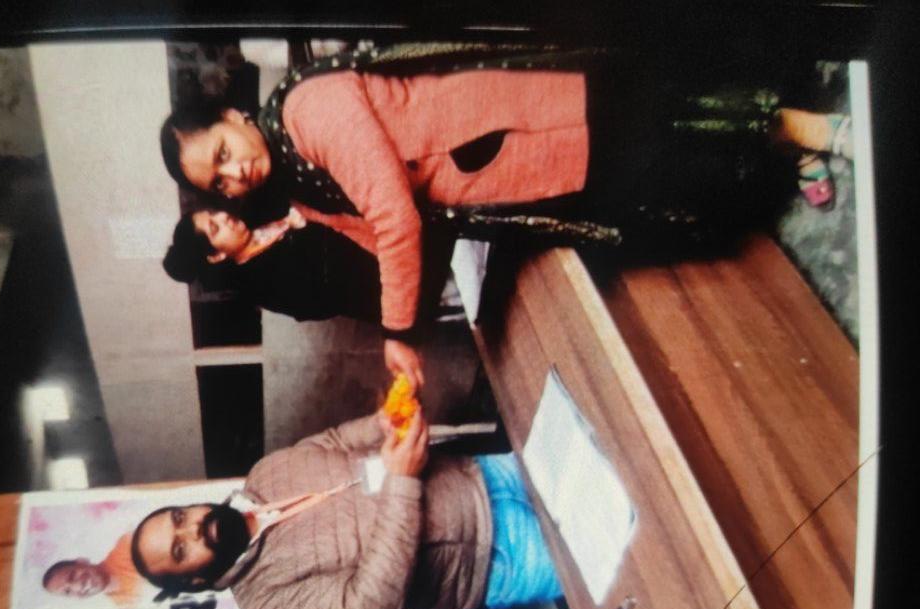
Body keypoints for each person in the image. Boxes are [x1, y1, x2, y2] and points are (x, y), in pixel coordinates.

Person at [159, 44, 855, 389]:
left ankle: (814, 130)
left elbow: (393, 213)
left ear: (234, 116)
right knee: (670, 171)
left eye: (222, 152)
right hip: (508, 179)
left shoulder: (305, 111)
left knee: (666, 130)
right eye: (218, 182)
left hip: (518, 130)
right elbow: (377, 241)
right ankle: (788, 155)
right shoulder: (296, 184)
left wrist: (399, 332)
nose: (233, 174)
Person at [129, 406, 564, 609]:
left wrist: (382, 421)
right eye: (180, 550)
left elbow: (334, 442)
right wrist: (403, 480)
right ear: (197, 581)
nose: (192, 530)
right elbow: (370, 603)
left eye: (179, 518)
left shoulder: (262, 473)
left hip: (479, 471)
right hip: (497, 555)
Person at [162, 204, 455, 329]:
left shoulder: (262, 214)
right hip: (401, 285)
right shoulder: (262, 283)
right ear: (216, 256)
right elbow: (326, 299)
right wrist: (310, 232)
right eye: (215, 228)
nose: (224, 218)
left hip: (404, 241)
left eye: (214, 214)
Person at [42, 532, 142, 609]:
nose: (78, 586)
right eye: (67, 591)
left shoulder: (127, 547)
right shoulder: (126, 608)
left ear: (82, 561)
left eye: (72, 576)